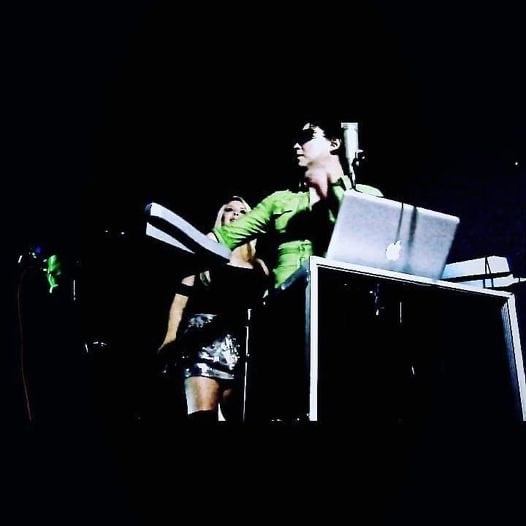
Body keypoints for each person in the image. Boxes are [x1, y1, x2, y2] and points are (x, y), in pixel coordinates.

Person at [211, 119, 382, 288]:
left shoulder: (365, 195)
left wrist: (332, 187)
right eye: (296, 140)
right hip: (287, 297)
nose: (296, 146)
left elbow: (378, 248)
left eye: (306, 137)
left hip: (343, 293)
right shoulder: (279, 199)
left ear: (334, 143)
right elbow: (224, 236)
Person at [158, 196, 269, 423]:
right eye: (229, 209)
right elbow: (180, 301)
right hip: (202, 340)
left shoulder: (260, 266)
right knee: (203, 416)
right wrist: (170, 338)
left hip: (242, 345)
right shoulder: (203, 256)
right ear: (221, 217)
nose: (235, 214)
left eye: (243, 211)